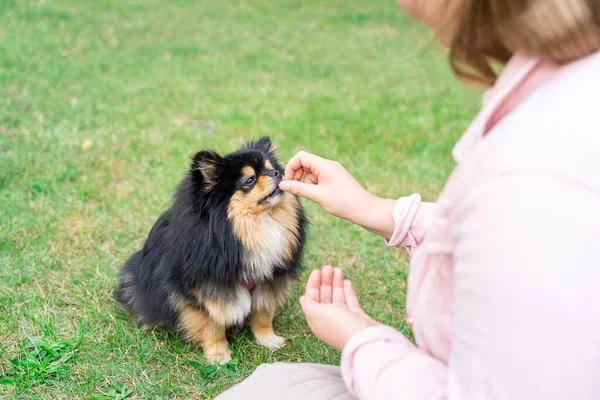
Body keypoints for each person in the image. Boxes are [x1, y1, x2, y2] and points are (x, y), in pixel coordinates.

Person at [217, 0, 600, 398]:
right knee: (275, 382)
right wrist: (377, 210)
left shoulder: (532, 175)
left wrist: (362, 339)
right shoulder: (563, 97)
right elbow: (514, 237)